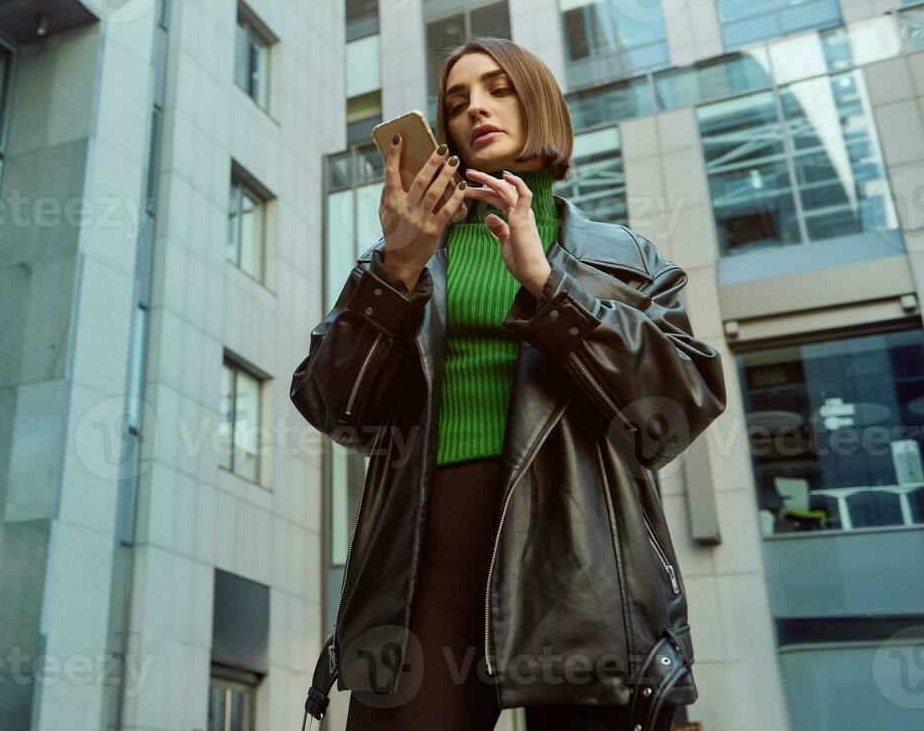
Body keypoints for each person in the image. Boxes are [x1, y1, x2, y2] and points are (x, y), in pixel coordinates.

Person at [292, 36, 727, 731]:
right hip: (424, 551)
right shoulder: (402, 252)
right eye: (457, 101)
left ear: (540, 104)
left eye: (498, 88)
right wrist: (395, 273)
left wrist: (548, 288)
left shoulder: (626, 260)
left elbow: (673, 414)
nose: (475, 109)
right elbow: (330, 406)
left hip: (584, 553)